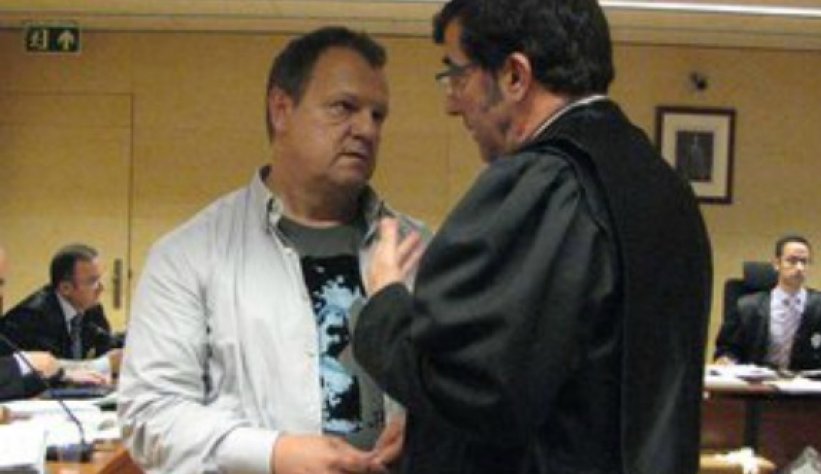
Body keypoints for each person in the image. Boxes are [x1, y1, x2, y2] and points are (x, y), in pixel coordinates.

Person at [351, 1, 713, 473]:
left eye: (458, 75)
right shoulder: (663, 185)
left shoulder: (547, 183)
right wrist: (430, 428)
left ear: (515, 76)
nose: (451, 102)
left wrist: (386, 301)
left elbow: (474, 390)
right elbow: (566, 385)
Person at [118, 26, 428, 474]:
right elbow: (151, 415)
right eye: (344, 107)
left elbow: (465, 388)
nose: (366, 129)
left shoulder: (420, 249)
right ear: (281, 110)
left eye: (378, 115)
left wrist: (425, 424)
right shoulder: (189, 256)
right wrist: (272, 454)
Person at [715, 235, 821, 371]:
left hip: (808, 382)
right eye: (792, 261)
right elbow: (727, 349)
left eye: (804, 262)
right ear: (777, 264)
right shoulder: (746, 307)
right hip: (757, 381)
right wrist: (726, 360)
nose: (799, 267)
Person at [0, 244, 108, 401]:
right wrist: (24, 363)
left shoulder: (90, 309)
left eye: (1, 284)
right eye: (93, 281)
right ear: (65, 288)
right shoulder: (31, 316)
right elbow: (45, 364)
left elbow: (105, 342)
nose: (101, 288)